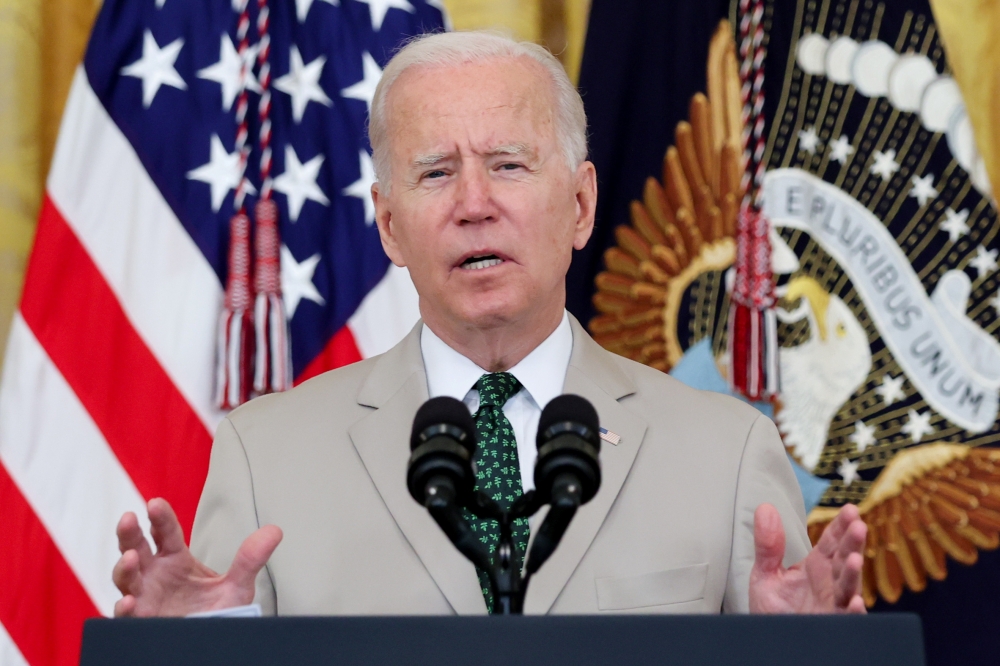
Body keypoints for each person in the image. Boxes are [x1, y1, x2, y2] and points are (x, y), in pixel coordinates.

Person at [112, 30, 867, 617]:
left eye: (508, 164)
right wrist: (189, 653)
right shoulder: (264, 456)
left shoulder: (727, 453)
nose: (474, 203)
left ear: (579, 205)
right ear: (389, 226)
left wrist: (807, 654)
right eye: (436, 173)